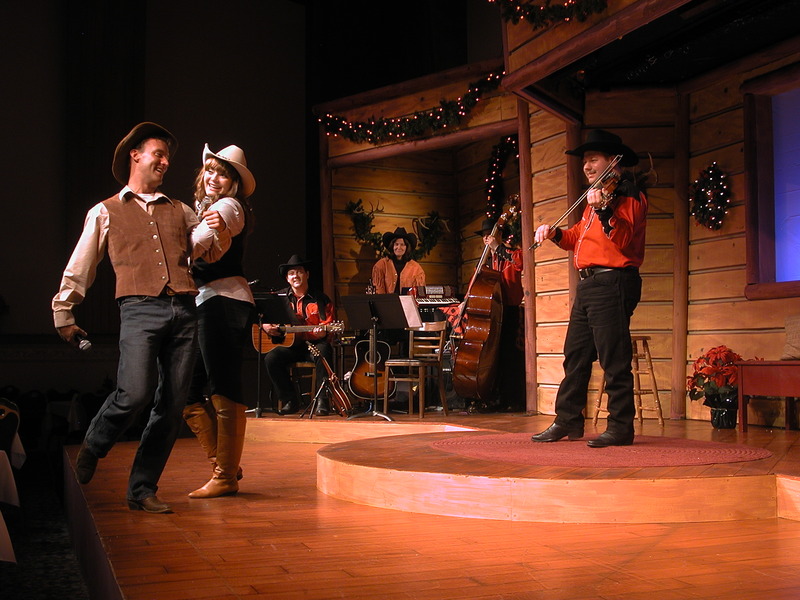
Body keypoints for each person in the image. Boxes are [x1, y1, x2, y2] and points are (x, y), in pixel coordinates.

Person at [52, 122, 230, 513]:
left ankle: (142, 488)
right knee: (134, 392)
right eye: (158, 154)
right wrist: (64, 311)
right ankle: (95, 443)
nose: (165, 162)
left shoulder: (180, 209)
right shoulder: (106, 211)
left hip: (184, 309)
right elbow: (81, 264)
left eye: (167, 157)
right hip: (139, 309)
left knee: (172, 406)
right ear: (135, 155)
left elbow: (209, 253)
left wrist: (217, 230)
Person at [530, 129, 647, 448]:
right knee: (576, 355)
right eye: (585, 161)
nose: (586, 166)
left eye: (593, 159)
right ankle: (568, 420)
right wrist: (554, 233)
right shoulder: (594, 199)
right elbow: (578, 238)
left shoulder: (628, 194)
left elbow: (623, 238)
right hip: (589, 284)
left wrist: (605, 210)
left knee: (614, 358)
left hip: (613, 281)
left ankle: (621, 426)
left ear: (613, 161)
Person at [183, 144, 256, 499]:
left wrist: (167, 254)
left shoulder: (228, 206)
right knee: (187, 390)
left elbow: (206, 237)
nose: (214, 177)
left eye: (223, 174)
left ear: (234, 183)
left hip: (225, 301)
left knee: (223, 386)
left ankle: (225, 475)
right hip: (206, 302)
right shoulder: (204, 208)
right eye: (210, 170)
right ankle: (224, 465)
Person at [261, 255, 336, 416]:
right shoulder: (278, 298)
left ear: (307, 274)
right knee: (271, 358)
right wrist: (265, 326)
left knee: (324, 351)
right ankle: (290, 400)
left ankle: (323, 401)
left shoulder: (321, 299)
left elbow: (328, 325)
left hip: (313, 344)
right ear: (287, 279)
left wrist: (323, 331)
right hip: (289, 346)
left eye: (299, 272)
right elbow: (260, 317)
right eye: (291, 273)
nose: (295, 276)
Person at [475, 217, 525, 411]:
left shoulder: (511, 252)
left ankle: (513, 400)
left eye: (490, 235)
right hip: (492, 311)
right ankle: (493, 397)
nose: (487, 238)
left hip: (510, 309)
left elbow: (520, 262)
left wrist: (498, 248)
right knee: (493, 356)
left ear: (500, 235)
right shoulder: (485, 260)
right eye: (484, 236)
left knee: (510, 355)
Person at [371, 227, 426, 294]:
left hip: (408, 300)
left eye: (402, 245)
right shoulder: (381, 265)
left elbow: (419, 292)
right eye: (396, 244)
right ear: (392, 246)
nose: (399, 247)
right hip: (386, 300)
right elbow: (378, 291)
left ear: (407, 247)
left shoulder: (416, 268)